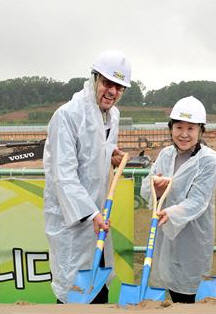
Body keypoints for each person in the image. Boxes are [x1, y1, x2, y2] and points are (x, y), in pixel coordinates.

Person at [43, 50, 131, 303]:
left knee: (99, 285)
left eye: (119, 87)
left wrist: (110, 156)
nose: (112, 91)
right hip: (74, 219)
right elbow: (63, 175)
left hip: (98, 216)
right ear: (94, 79)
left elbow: (93, 154)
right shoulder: (68, 116)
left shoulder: (112, 115)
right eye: (107, 83)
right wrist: (91, 213)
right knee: (73, 288)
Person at [140, 96, 216, 303]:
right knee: (164, 287)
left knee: (188, 293)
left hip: (192, 237)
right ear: (171, 129)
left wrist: (170, 213)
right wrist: (156, 188)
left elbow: (198, 201)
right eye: (179, 127)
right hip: (164, 234)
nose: (184, 134)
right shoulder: (165, 155)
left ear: (200, 131)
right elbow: (147, 189)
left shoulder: (207, 162)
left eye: (191, 128)